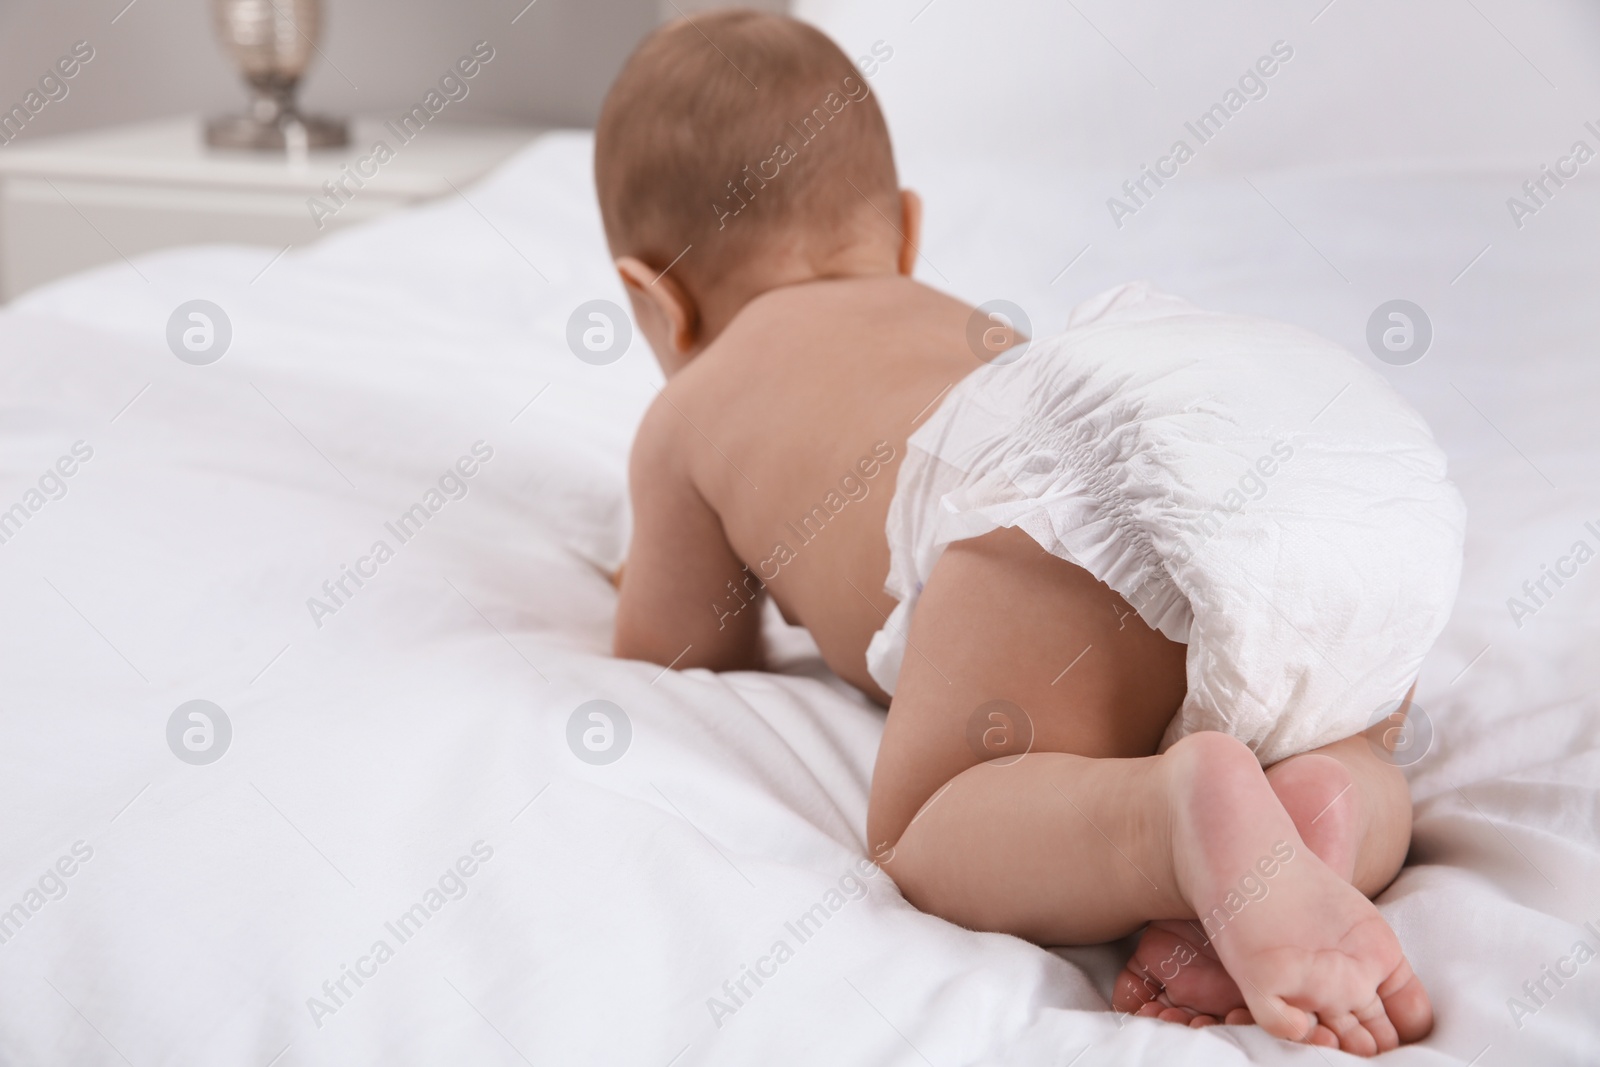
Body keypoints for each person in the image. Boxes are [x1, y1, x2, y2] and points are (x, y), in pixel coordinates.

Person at [599, 10, 1459, 1054]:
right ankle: (1325, 798)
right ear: (906, 231)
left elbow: (681, 646)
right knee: (1353, 735)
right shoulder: (950, 319)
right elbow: (1111, 469)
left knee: (926, 825)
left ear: (657, 299)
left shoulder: (696, 405)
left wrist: (645, 571)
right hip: (1293, 464)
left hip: (1052, 522)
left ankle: (1177, 815)